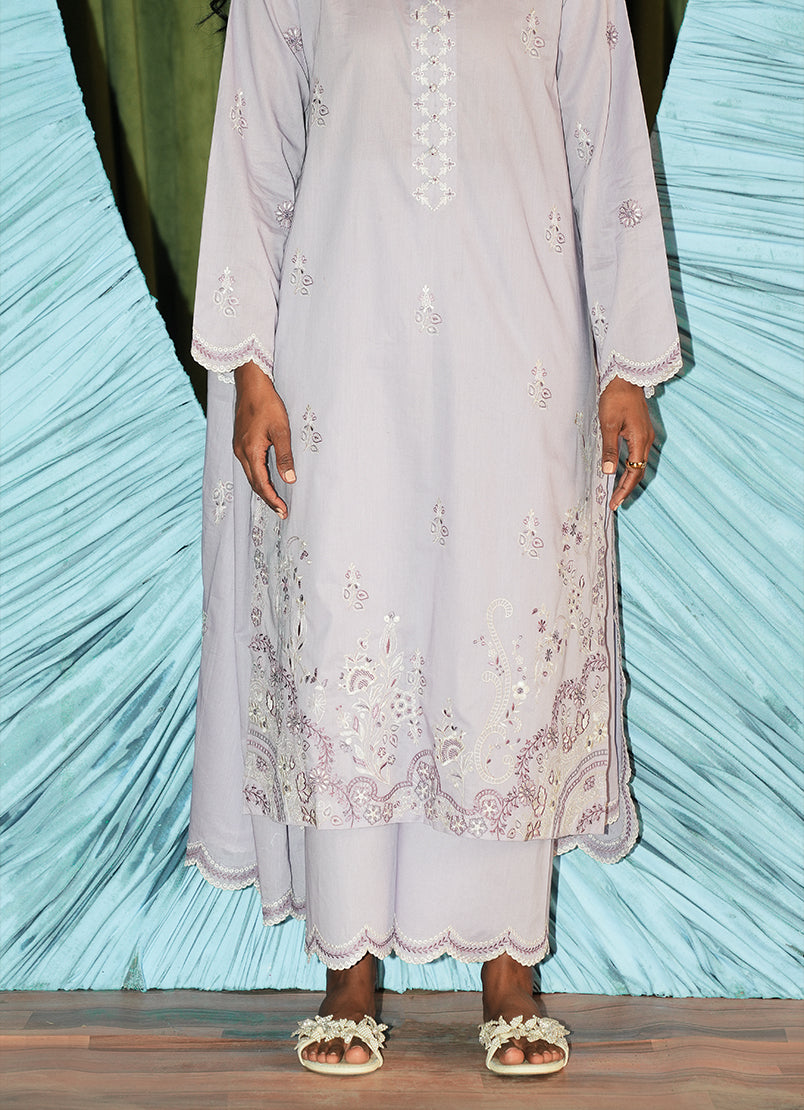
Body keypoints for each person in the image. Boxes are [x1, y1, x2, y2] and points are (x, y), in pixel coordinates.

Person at [186, 0, 682, 1077]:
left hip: (522, 350)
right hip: (342, 350)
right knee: (347, 632)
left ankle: (510, 972)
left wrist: (626, 365)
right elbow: (254, 148)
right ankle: (349, 969)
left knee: (501, 635)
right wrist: (250, 366)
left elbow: (606, 145)